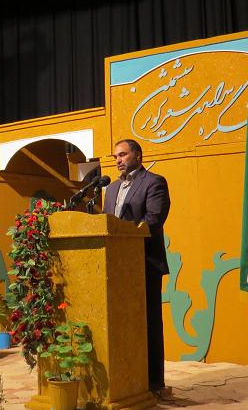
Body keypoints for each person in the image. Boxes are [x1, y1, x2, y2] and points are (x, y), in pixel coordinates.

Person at [103, 138, 171, 396]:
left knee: (148, 323)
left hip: (145, 263)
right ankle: (126, 380)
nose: (118, 160)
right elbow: (106, 223)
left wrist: (123, 235)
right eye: (115, 157)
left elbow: (153, 220)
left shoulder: (154, 182)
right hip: (115, 266)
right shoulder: (111, 189)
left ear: (138, 156)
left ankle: (154, 383)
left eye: (122, 155)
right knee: (121, 323)